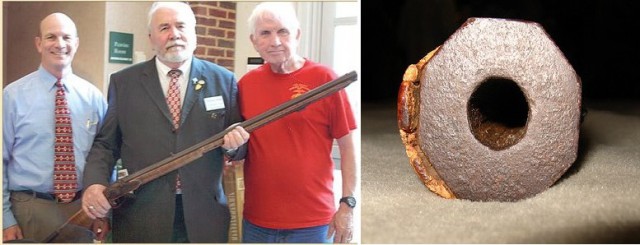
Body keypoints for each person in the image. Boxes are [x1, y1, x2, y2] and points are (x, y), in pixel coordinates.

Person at [80, 2, 249, 243]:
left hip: (204, 216)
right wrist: (95, 184)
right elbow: (106, 145)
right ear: (151, 37)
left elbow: (239, 146)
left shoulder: (223, 80)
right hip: (141, 215)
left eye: (181, 26)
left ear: (194, 33)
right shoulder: (124, 83)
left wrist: (234, 146)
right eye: (164, 27)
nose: (174, 34)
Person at [238, 2, 358, 243]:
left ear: (298, 35)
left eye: (283, 31)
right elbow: (239, 147)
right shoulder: (245, 85)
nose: (275, 41)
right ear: (254, 41)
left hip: (313, 223)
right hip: (257, 221)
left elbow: (347, 147)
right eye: (265, 33)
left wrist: (348, 204)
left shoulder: (325, 79)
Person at [3, 13, 108, 242]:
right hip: (29, 211)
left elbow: (104, 155)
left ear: (76, 43)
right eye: (51, 37)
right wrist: (4, 219)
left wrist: (103, 209)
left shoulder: (94, 97)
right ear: (39, 44)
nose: (60, 44)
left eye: (66, 37)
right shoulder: (12, 96)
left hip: (83, 211)